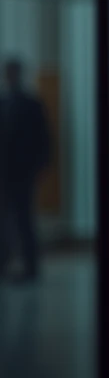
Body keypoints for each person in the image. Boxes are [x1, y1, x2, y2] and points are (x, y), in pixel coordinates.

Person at [0, 59, 52, 282]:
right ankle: (4, 263)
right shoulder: (3, 103)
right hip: (5, 173)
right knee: (4, 221)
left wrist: (40, 166)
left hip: (23, 172)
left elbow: (44, 138)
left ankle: (31, 266)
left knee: (24, 219)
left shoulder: (32, 103)